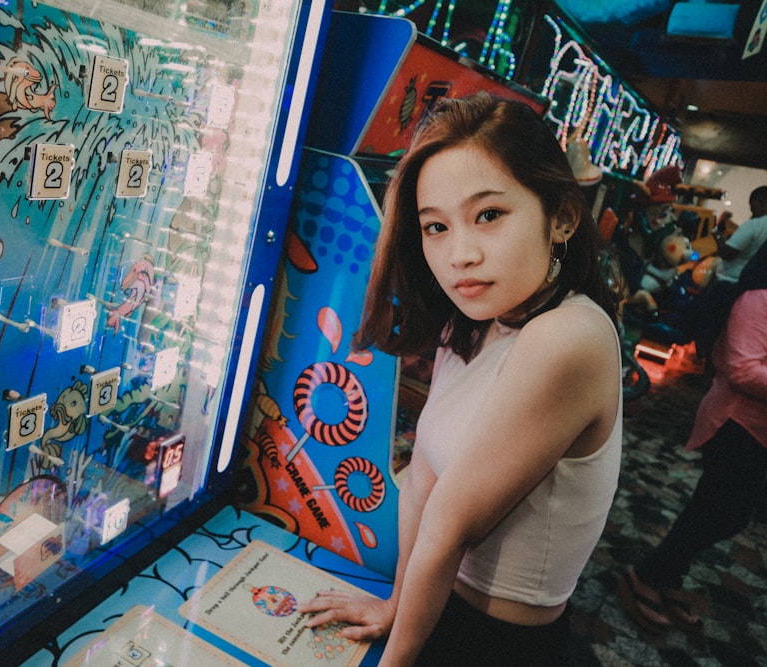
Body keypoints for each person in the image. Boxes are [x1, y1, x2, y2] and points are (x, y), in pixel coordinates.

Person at [298, 92, 623, 665]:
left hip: (498, 644)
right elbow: (423, 477)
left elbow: (450, 524)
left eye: (489, 215)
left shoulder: (567, 337)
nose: (459, 255)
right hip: (438, 604)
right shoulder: (477, 320)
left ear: (563, 217)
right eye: (435, 227)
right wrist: (396, 603)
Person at [618, 239, 767, 634]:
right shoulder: (757, 300)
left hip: (757, 428)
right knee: (720, 512)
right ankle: (648, 576)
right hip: (735, 422)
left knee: (723, 512)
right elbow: (740, 369)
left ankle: (664, 577)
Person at [691, 186, 767, 356]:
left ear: (761, 203)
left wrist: (718, 232)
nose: (751, 209)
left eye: (753, 204)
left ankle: (703, 367)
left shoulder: (754, 225)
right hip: (749, 288)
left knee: (710, 326)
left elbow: (727, 253)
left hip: (727, 283)